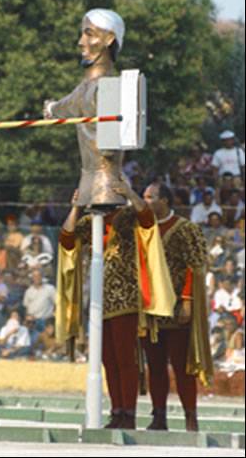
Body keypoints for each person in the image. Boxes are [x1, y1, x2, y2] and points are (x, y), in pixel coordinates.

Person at [55, 184, 175, 430]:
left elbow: (147, 218)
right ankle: (116, 411)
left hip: (126, 299)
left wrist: (129, 193)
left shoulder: (128, 216)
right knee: (107, 360)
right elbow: (66, 239)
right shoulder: (91, 222)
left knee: (125, 360)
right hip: (100, 303)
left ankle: (128, 413)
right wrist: (76, 207)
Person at [141, 183, 213, 432]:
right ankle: (158, 415)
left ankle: (190, 416)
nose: (145, 201)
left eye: (150, 197)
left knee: (182, 365)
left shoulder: (185, 228)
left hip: (176, 307)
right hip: (150, 309)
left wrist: (187, 301)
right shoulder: (143, 229)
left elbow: (195, 265)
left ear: (164, 200)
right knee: (155, 364)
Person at [43, 8, 127, 207]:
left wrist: (53, 109)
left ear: (109, 39)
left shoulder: (108, 87)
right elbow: (68, 103)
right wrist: (52, 109)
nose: (81, 42)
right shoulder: (84, 88)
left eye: (89, 34)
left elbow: (109, 149)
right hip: (87, 183)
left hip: (107, 184)